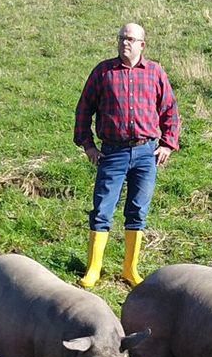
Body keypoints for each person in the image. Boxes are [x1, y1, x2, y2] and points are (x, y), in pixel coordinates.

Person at [72, 21, 180, 288]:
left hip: (146, 153)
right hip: (113, 153)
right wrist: (88, 146)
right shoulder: (103, 72)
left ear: (142, 44)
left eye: (131, 39)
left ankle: (130, 270)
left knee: (137, 211)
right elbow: (84, 110)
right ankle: (93, 270)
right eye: (122, 38)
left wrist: (167, 144)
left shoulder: (155, 72)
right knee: (102, 211)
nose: (125, 43)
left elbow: (169, 110)